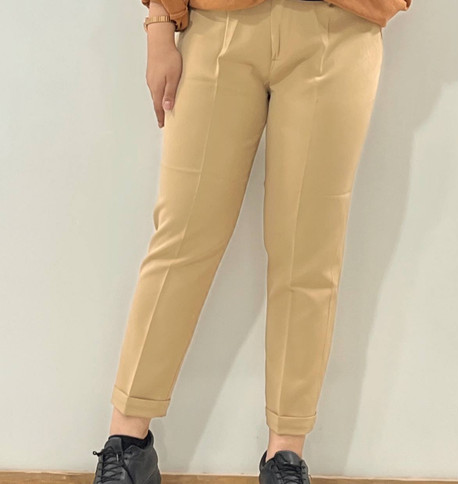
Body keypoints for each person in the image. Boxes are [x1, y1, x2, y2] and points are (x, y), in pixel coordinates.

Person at [91, 0, 411, 482]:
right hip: (217, 24)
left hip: (340, 29)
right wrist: (159, 23)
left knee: (308, 254)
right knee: (182, 238)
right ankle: (126, 446)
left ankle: (285, 458)